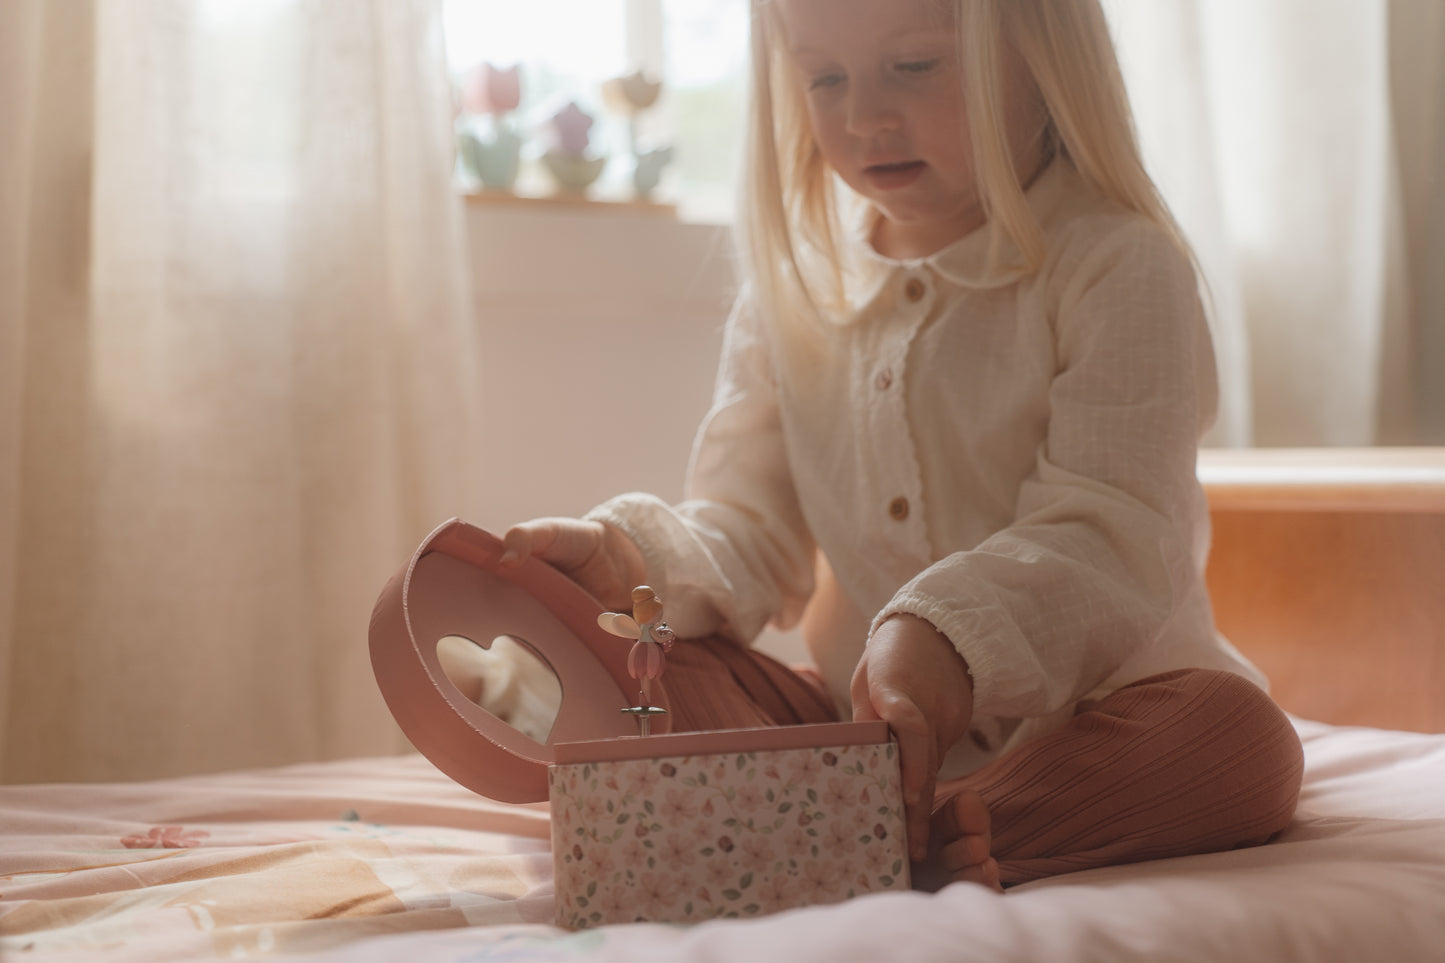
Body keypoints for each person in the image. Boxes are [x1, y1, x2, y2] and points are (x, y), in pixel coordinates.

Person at [500, 0, 1304, 890]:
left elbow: (1112, 528)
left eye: (914, 67)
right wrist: (628, 562)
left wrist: (944, 635)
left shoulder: (1118, 264)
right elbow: (745, 528)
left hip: (1097, 718)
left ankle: (944, 824)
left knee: (1238, 738)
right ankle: (874, 824)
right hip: (858, 733)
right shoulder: (795, 288)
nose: (861, 118)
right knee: (647, 658)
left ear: (1042, 58)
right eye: (824, 77)